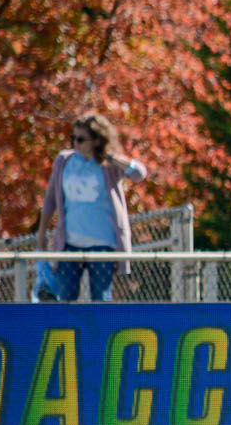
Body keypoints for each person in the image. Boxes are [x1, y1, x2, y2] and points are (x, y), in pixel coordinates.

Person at [37, 112, 148, 301]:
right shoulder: (64, 161)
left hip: (102, 244)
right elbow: (50, 200)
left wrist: (110, 156)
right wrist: (41, 233)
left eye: (81, 139)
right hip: (69, 244)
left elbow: (139, 173)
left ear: (96, 140)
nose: (76, 144)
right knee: (66, 299)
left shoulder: (108, 165)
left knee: (101, 300)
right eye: (73, 139)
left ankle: (100, 331)